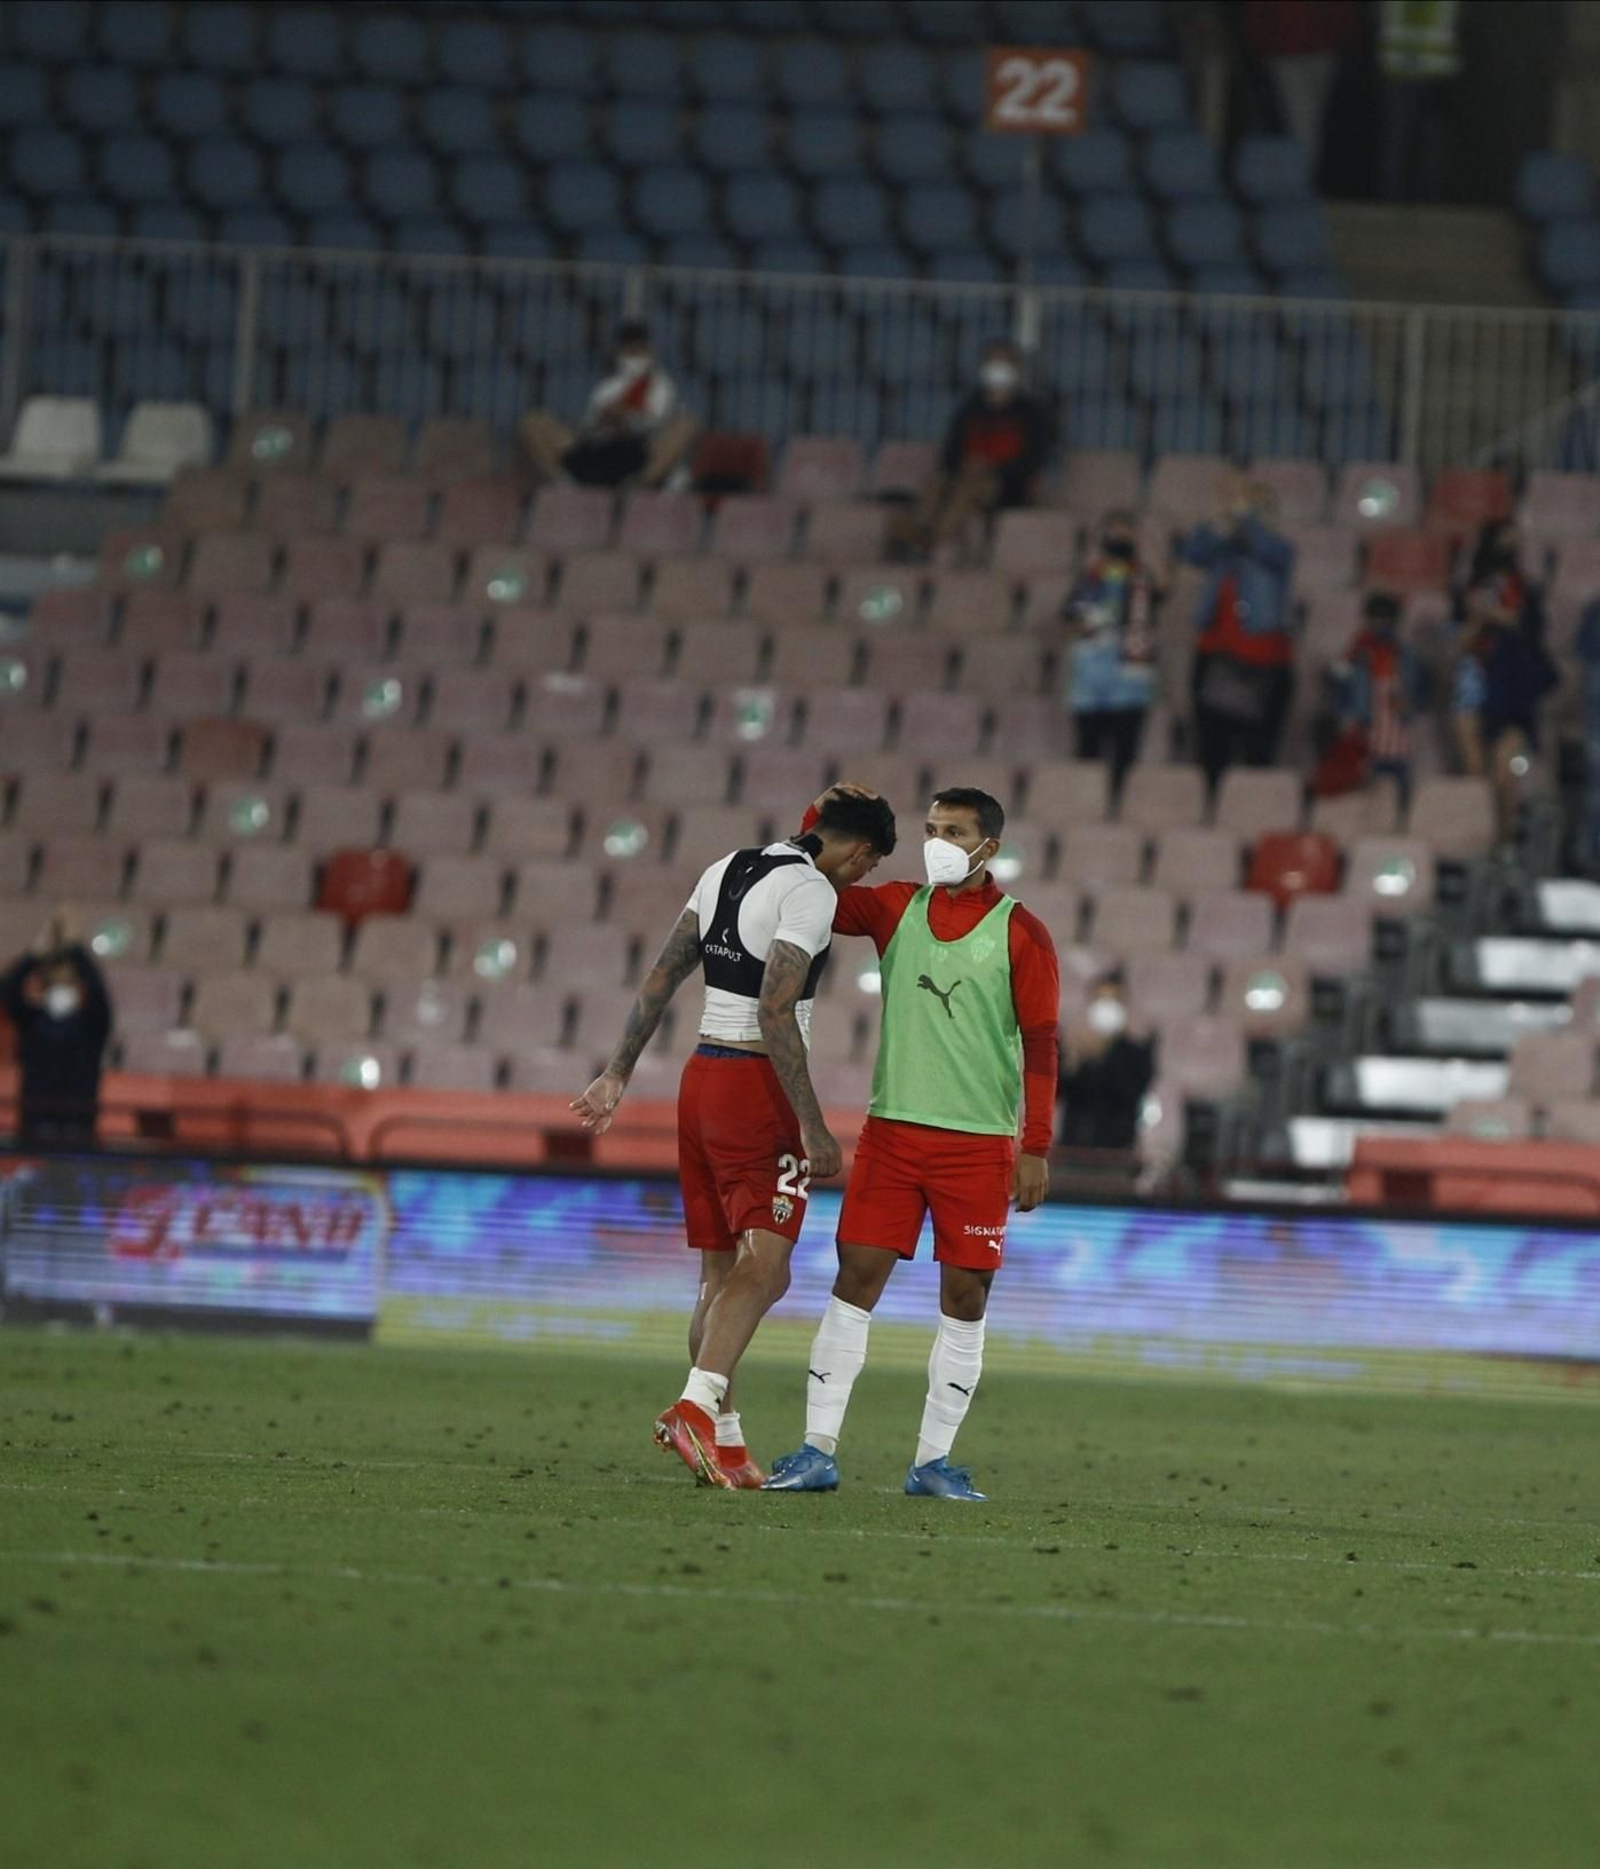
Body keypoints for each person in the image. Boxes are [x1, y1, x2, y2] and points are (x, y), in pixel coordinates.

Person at [571, 789, 898, 1490]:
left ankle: (724, 1440)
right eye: (866, 867)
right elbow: (777, 1009)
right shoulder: (811, 891)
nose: (860, 880)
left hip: (701, 1079)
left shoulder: (725, 866)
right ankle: (694, 1403)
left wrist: (616, 1072)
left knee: (721, 1274)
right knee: (768, 1267)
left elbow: (665, 973)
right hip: (757, 1087)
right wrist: (811, 1123)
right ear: (860, 851)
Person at [764, 785, 1060, 1503]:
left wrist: (1035, 1145)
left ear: (989, 845)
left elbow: (1044, 1048)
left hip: (979, 1144)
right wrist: (817, 818)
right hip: (894, 1133)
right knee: (853, 1282)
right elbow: (819, 877)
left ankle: (933, 1461)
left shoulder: (1023, 932)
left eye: (953, 830)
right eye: (930, 828)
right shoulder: (897, 906)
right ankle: (816, 1449)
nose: (938, 841)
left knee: (965, 1296)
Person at [889, 339, 1057, 563]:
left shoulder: (1031, 412)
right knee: (937, 483)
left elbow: (1034, 458)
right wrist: (967, 464)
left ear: (1016, 370)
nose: (997, 369)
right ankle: (919, 530)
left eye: (1004, 363)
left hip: (1008, 486)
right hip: (962, 476)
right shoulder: (969, 409)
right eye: (992, 362)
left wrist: (993, 467)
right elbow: (949, 455)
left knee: (971, 485)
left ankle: (927, 541)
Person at [1179, 474, 1297, 792]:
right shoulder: (1222, 548)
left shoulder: (1279, 548)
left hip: (1263, 662)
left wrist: (1244, 517)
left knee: (1258, 750)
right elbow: (1192, 553)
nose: (1239, 509)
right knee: (1212, 748)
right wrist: (1215, 518)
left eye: (1250, 504)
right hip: (1216, 657)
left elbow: (1263, 547)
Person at [1451, 521, 1558, 839]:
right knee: (1473, 769)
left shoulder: (1525, 591)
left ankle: (1505, 839)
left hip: (1512, 685)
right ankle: (1478, 836)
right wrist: (1477, 616)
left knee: (1504, 771)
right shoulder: (1469, 590)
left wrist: (1496, 614)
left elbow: (1529, 632)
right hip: (1473, 680)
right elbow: (1458, 642)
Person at [517, 320, 698, 491]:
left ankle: (639, 487)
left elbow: (656, 425)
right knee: (534, 422)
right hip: (598, 452)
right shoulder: (606, 388)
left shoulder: (661, 386)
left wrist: (626, 420)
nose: (633, 356)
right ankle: (565, 483)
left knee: (686, 424)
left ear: (648, 350)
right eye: (628, 350)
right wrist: (602, 421)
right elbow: (587, 426)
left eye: (638, 350)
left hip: (635, 454)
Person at [1061, 507, 1164, 793]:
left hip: (1131, 675)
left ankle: (1119, 805)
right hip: (1091, 675)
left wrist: (1144, 548)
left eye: (1125, 532)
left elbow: (1165, 587)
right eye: (1114, 532)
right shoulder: (1091, 576)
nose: (1119, 539)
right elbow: (1068, 619)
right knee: (1088, 749)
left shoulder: (1141, 576)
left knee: (1125, 750)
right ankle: (1086, 802)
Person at [1, 919, 112, 1147]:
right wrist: (33, 955)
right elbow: (8, 991)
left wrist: (76, 951)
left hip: (77, 1127)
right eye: (54, 985)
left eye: (68, 985)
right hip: (35, 1126)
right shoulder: (32, 1022)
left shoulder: (90, 1026)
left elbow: (99, 994)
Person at [1316, 589, 1428, 808]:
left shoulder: (1406, 655)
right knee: (1363, 785)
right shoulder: (1356, 653)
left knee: (1399, 779)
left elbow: (1419, 691)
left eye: (1385, 620)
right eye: (1375, 619)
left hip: (1396, 725)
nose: (1380, 626)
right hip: (1363, 726)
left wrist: (1410, 703)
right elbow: (1336, 685)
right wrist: (1344, 716)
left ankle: (1401, 817)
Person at [1057, 970, 1155, 1154]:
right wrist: (1072, 1062)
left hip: (1115, 1152)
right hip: (1073, 1148)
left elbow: (1131, 1094)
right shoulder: (1073, 1047)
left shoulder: (1137, 1052)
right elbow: (1058, 1094)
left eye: (1113, 1000)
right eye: (1100, 999)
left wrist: (1101, 1056)